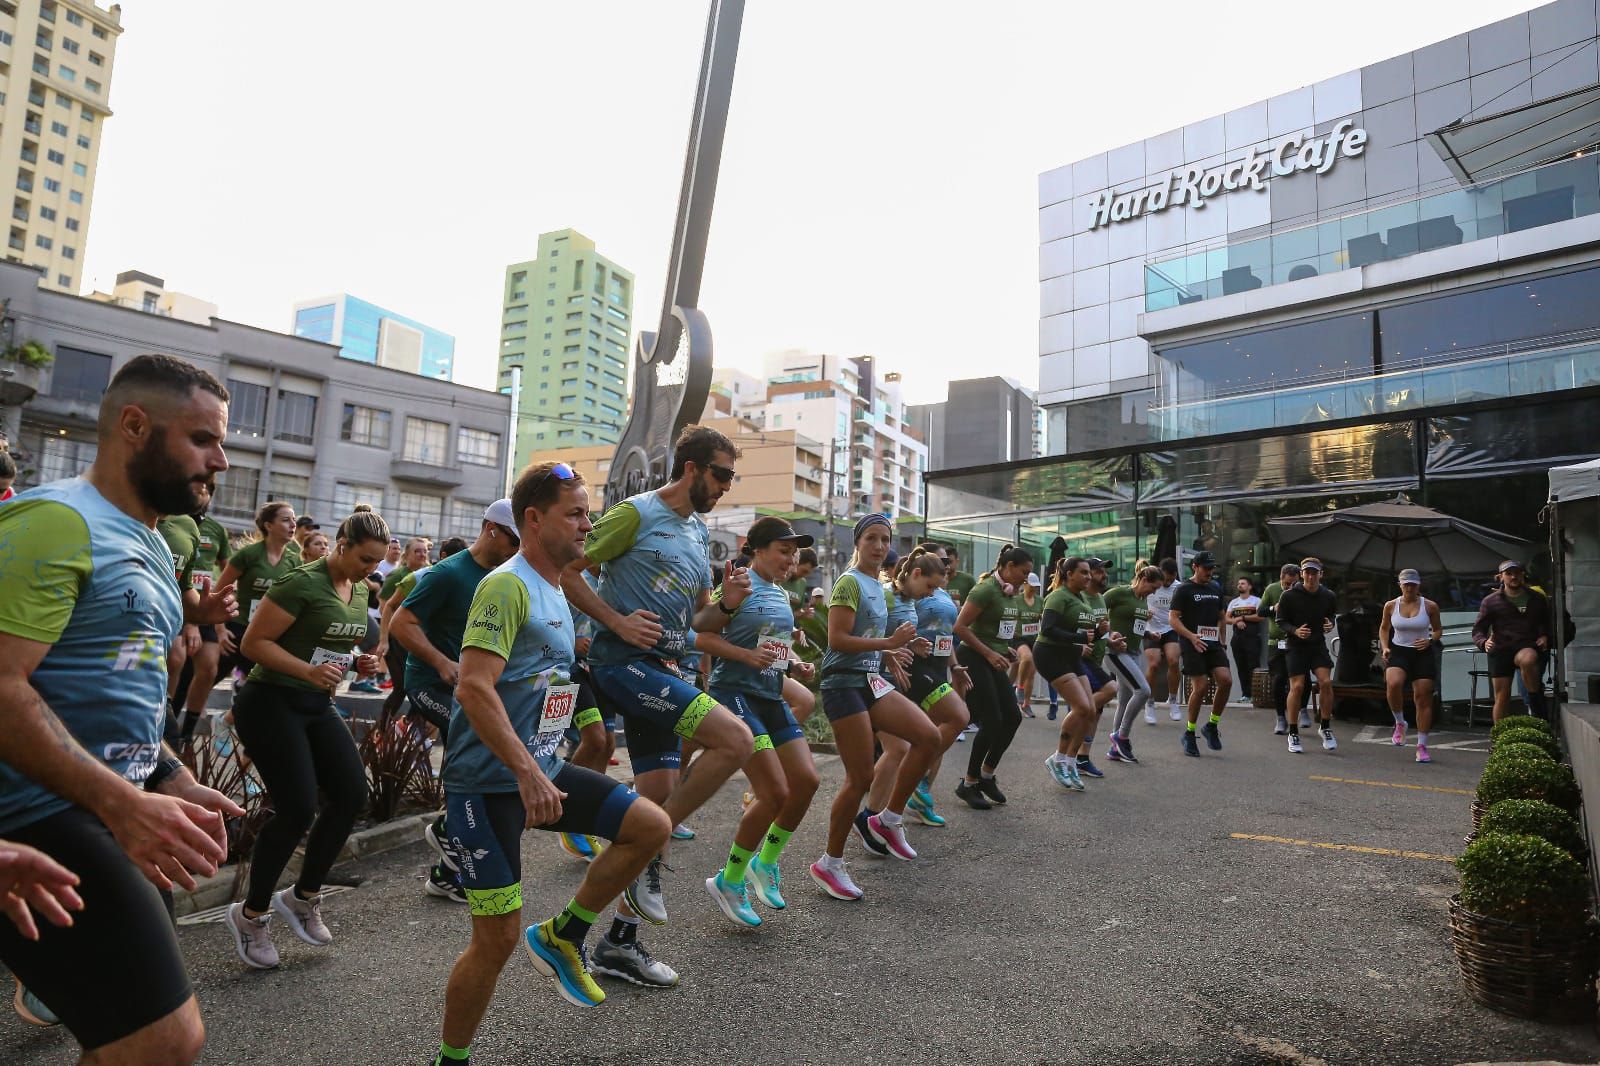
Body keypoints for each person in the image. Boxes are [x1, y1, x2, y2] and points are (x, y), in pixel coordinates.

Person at [0, 353, 243, 1064]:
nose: (221, 460)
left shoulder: (152, 542)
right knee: (163, 1040)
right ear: (135, 426)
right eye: (203, 439)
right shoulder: (53, 523)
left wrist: (167, 777)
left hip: (109, 811)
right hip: (37, 815)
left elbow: (118, 689)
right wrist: (123, 804)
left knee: (137, 1041)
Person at [430, 461, 673, 1065]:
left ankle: (564, 934)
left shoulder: (558, 589)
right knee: (496, 941)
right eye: (577, 513)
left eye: (588, 513)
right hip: (485, 789)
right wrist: (528, 771)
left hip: (539, 770)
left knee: (650, 826)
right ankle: (449, 1061)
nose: (589, 524)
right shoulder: (506, 585)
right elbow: (473, 688)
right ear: (534, 520)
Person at [560, 425, 756, 933]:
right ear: (691, 468)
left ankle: (600, 936)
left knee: (654, 806)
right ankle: (649, 852)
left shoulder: (696, 533)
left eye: (731, 478)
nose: (726, 487)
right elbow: (568, 571)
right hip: (622, 664)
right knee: (736, 741)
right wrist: (615, 620)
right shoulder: (636, 513)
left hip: (671, 667)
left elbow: (699, 622)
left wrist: (729, 603)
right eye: (721, 475)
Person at [224, 511, 388, 970]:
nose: (370, 569)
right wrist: (308, 672)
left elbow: (326, 644)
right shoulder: (300, 582)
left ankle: (302, 897)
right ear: (341, 544)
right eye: (364, 559)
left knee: (352, 793)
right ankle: (251, 915)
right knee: (297, 808)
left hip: (315, 703)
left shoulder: (358, 590)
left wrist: (356, 665)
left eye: (376, 563)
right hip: (269, 700)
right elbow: (255, 643)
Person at [390, 500, 522, 902]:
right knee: (478, 742)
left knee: (483, 752)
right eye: (513, 540)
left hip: (472, 688)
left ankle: (445, 875)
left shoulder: (505, 576)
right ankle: (447, 831)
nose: (517, 549)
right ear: (491, 528)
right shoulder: (447, 573)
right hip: (431, 683)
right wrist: (441, 661)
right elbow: (400, 623)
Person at [692, 516, 822, 924]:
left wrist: (794, 663)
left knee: (806, 781)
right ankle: (729, 879)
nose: (790, 559)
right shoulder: (739, 584)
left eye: (794, 553)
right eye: (784, 551)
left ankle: (764, 862)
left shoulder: (782, 594)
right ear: (757, 549)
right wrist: (747, 657)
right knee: (774, 792)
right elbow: (702, 635)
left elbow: (772, 647)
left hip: (769, 694)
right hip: (736, 694)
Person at [808, 514, 938, 898]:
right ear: (858, 542)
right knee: (860, 777)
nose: (880, 546)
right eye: (872, 539)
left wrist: (897, 650)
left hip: (869, 679)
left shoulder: (879, 587)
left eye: (885, 539)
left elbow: (872, 639)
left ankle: (888, 819)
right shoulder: (849, 582)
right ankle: (829, 863)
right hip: (842, 683)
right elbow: (838, 640)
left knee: (928, 737)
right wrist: (887, 644)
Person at [952, 544, 1034, 809]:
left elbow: (998, 629)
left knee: (1012, 717)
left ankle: (987, 775)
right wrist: (989, 653)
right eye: (1023, 572)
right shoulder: (984, 589)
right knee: (991, 720)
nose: (1026, 578)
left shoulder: (1010, 593)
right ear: (1008, 567)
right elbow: (960, 627)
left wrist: (1003, 648)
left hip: (992, 657)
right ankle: (969, 783)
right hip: (974, 657)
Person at [216, 501, 302, 681]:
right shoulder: (248, 554)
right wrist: (220, 630)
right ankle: (193, 709)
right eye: (286, 520)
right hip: (237, 629)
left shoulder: (295, 561)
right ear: (269, 525)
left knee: (261, 683)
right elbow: (219, 591)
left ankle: (240, 689)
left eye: (294, 520)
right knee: (208, 674)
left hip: (269, 633)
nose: (293, 524)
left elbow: (296, 601)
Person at [1040, 557, 1102, 791]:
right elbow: (1048, 629)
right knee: (1081, 708)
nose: (1088, 577)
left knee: (1090, 710)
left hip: (1071, 654)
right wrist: (1079, 639)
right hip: (1050, 654)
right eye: (1084, 573)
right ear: (1069, 574)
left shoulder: (1081, 597)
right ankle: (1057, 758)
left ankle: (1070, 761)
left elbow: (1082, 634)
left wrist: (1099, 632)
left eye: (1089, 573)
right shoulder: (1058, 596)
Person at [1472, 560, 1552, 723]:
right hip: (1500, 649)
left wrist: (1545, 636)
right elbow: (1478, 629)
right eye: (1509, 573)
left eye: (1517, 573)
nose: (1513, 576)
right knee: (1502, 697)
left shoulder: (1537, 598)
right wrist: (1483, 642)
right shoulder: (1490, 601)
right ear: (1500, 577)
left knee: (1529, 658)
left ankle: (1537, 708)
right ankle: (1499, 739)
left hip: (1526, 645)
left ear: (1523, 575)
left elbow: (1546, 622)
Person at [1168, 551, 1230, 757]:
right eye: (1206, 568)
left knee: (1226, 680)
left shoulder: (1215, 588)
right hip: (1191, 642)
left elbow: (1222, 616)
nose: (1209, 572)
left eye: (1212, 568)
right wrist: (1191, 637)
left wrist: (1222, 639)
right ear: (1194, 566)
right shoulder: (1183, 589)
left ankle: (1211, 726)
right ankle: (1190, 732)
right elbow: (1173, 619)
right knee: (1201, 686)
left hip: (1212, 643)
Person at [1379, 569, 1443, 763]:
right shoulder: (1391, 605)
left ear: (1418, 585)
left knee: (1423, 697)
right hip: (1399, 650)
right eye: (1406, 584)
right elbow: (1384, 628)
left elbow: (1438, 629)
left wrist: (1431, 640)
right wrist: (1385, 647)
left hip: (1422, 652)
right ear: (1400, 585)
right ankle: (1400, 723)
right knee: (1393, 682)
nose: (1409, 588)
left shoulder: (1430, 606)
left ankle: (1422, 745)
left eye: (1413, 584)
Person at [1279, 558, 1339, 754]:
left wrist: (1330, 624)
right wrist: (1295, 631)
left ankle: (1325, 726)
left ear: (1321, 574)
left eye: (1315, 573)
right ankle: (1293, 731)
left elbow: (1331, 616)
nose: (1311, 576)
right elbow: (1281, 621)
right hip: (1296, 645)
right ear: (1302, 574)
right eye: (1307, 572)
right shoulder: (1289, 596)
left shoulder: (1328, 595)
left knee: (1326, 682)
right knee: (1297, 686)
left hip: (1317, 645)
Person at [1103, 566, 1162, 763]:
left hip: (1134, 652)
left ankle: (1115, 749)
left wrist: (1148, 633)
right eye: (1153, 587)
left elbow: (1134, 624)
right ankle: (1121, 736)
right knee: (1143, 691)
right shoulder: (1119, 593)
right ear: (1144, 578)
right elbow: (1096, 611)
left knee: (1125, 698)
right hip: (1116, 652)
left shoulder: (1141, 600)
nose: (1153, 593)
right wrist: (1108, 634)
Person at [376, 537, 432, 706]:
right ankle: (384, 730)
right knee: (401, 689)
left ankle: (411, 729)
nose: (422, 554)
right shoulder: (397, 576)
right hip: (397, 639)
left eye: (424, 551)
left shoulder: (432, 573)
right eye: (417, 551)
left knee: (422, 689)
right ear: (407, 554)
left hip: (420, 638)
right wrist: (384, 640)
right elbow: (384, 609)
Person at [1259, 563, 1301, 735]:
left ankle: (1302, 711)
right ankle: (1280, 717)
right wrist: (1272, 608)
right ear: (1281, 577)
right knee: (1278, 679)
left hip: (1297, 641)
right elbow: (1260, 611)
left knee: (1299, 680)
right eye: (1288, 584)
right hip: (1276, 642)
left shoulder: (1301, 591)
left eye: (1294, 583)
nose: (1291, 587)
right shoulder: (1271, 589)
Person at [1143, 558, 1181, 721]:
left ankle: (1172, 700)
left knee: (1173, 661)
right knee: (1154, 664)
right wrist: (1144, 613)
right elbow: (1137, 601)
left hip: (1170, 629)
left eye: (1171, 579)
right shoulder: (1149, 585)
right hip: (1151, 629)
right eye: (1165, 578)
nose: (1167, 582)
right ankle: (1150, 703)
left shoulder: (1179, 587)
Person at [1011, 571, 1043, 717]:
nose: (1034, 589)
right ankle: (1019, 687)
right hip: (1019, 638)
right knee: (1027, 658)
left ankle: (1026, 704)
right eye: (1032, 586)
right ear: (1025, 584)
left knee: (1032, 672)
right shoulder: (1016, 600)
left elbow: (1044, 617)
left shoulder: (1040, 601)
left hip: (1034, 638)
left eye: (1036, 587)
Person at [1226, 577, 1262, 705]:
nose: (1240, 585)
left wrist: (1243, 617)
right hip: (1237, 638)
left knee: (1253, 666)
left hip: (1252, 638)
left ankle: (1255, 695)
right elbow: (1226, 618)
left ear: (1249, 586)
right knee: (1241, 667)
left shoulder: (1256, 601)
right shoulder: (1233, 602)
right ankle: (1245, 694)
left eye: (1243, 583)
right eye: (1239, 583)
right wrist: (1236, 621)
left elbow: (1260, 616)